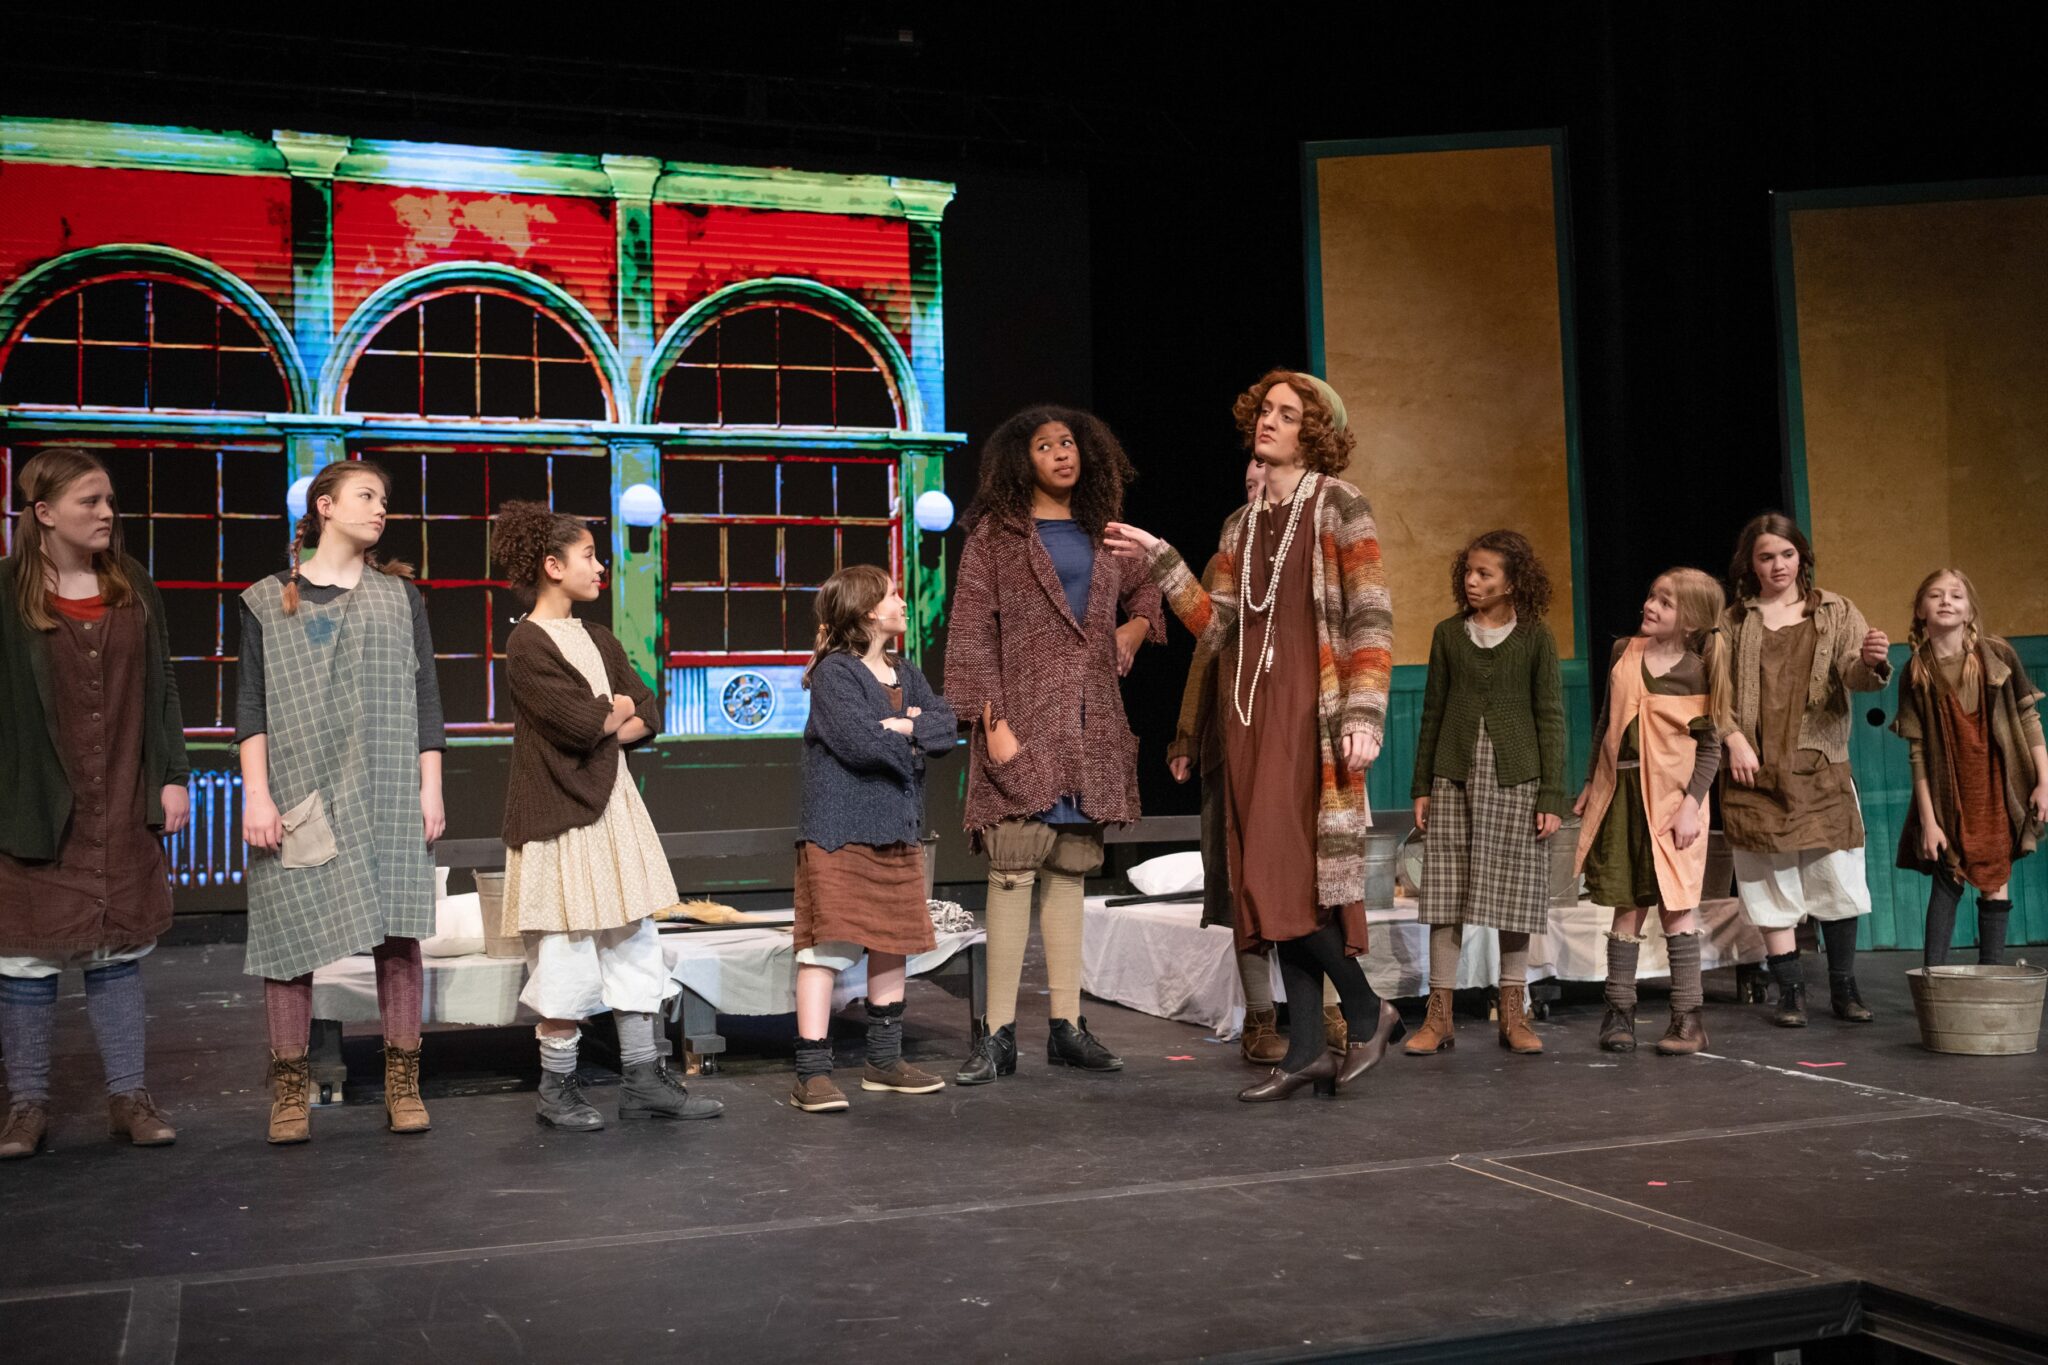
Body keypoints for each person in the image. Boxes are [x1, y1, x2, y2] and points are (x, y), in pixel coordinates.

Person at [1107, 369, 1400, 1103]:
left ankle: (1365, 1008)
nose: (1269, 422)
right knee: (1269, 888)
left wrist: (1364, 713)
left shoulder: (1339, 504)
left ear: (1315, 430)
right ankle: (1305, 1047)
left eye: (1287, 413)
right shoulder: (1242, 524)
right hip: (1248, 713)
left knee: (1282, 878)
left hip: (1309, 708)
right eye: (1265, 410)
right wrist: (1163, 561)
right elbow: (1218, 625)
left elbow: (1370, 614)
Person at [944, 406, 1163, 1084]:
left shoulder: (1107, 533)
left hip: (1088, 722)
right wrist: (988, 720)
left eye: (1068, 442)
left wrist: (1134, 630)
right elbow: (971, 632)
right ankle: (998, 1032)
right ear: (1022, 460)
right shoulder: (996, 537)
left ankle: (1068, 1026)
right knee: (1013, 865)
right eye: (1046, 446)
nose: (1062, 454)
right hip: (1021, 717)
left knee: (1069, 867)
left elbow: (1153, 588)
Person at [496, 501, 719, 1130]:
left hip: (613, 811)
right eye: (589, 555)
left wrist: (613, 716)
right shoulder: (527, 642)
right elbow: (577, 723)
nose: (600, 566)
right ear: (552, 565)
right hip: (559, 816)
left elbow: (645, 709)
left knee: (633, 942)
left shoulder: (598, 638)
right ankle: (557, 1087)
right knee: (565, 953)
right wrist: (607, 715)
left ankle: (643, 1078)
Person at [238, 459, 443, 1144]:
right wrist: (257, 795)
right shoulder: (268, 598)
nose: (380, 508)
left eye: (383, 499)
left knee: (398, 929)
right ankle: (290, 1087)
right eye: (365, 496)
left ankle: (402, 1080)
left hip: (385, 781)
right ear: (324, 506)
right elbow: (251, 707)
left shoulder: (398, 595)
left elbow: (426, 698)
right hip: (302, 788)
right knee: (288, 935)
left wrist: (430, 785)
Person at [0, 448, 188, 1160]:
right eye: (90, 502)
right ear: (45, 513)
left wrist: (172, 772)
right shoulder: (6, 592)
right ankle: (26, 1105)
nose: (107, 513)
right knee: (25, 957)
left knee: (115, 948)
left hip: (116, 796)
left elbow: (162, 682)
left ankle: (129, 1095)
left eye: (110, 500)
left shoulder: (131, 584)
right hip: (36, 805)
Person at [789, 565, 958, 1113]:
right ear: (866, 613)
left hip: (896, 826)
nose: (902, 602)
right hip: (840, 831)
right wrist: (907, 734)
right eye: (892, 595)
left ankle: (883, 1061)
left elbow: (945, 727)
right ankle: (811, 1072)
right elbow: (858, 743)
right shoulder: (836, 674)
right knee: (826, 946)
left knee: (892, 940)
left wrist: (905, 726)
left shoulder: (906, 671)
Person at [1720, 513, 1889, 1026]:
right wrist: (1732, 740)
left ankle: (1843, 988)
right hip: (1755, 768)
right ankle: (1790, 989)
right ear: (1750, 563)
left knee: (1834, 874)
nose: (1778, 566)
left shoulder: (1836, 610)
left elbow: (1857, 677)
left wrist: (1874, 661)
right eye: (1766, 556)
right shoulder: (1733, 621)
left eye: (1787, 555)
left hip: (1819, 765)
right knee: (1767, 879)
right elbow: (1714, 691)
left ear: (1802, 557)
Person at [1405, 529, 1568, 1057]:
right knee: (1446, 894)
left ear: (1512, 582)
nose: (1472, 581)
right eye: (1469, 572)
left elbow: (1550, 717)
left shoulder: (1536, 637)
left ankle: (1513, 1012)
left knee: (1515, 898)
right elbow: (1431, 712)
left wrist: (1551, 795)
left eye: (1484, 574)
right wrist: (1422, 784)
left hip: (1515, 777)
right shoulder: (1449, 634)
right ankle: (1440, 1015)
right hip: (1453, 775)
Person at [1573, 568, 1731, 1055]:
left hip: (1672, 804)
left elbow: (1710, 749)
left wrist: (1691, 806)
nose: (1651, 605)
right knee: (1627, 906)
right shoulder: (1626, 652)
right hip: (1621, 795)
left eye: (1666, 602)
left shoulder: (1698, 670)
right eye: (1651, 596)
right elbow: (1607, 721)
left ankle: (1687, 1018)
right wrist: (1588, 784)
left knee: (1677, 909)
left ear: (1691, 620)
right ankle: (1619, 1012)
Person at [1891, 569, 2046, 967]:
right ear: (1920, 610)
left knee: (1996, 880)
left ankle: (1990, 979)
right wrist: (1928, 820)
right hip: (1949, 792)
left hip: (1997, 787)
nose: (1946, 601)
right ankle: (1934, 981)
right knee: (1948, 876)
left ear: (1970, 610)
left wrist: (2044, 782)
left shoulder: (1996, 655)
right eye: (1936, 595)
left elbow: (2029, 719)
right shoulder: (1917, 671)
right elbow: (1918, 752)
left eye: (1956, 596)